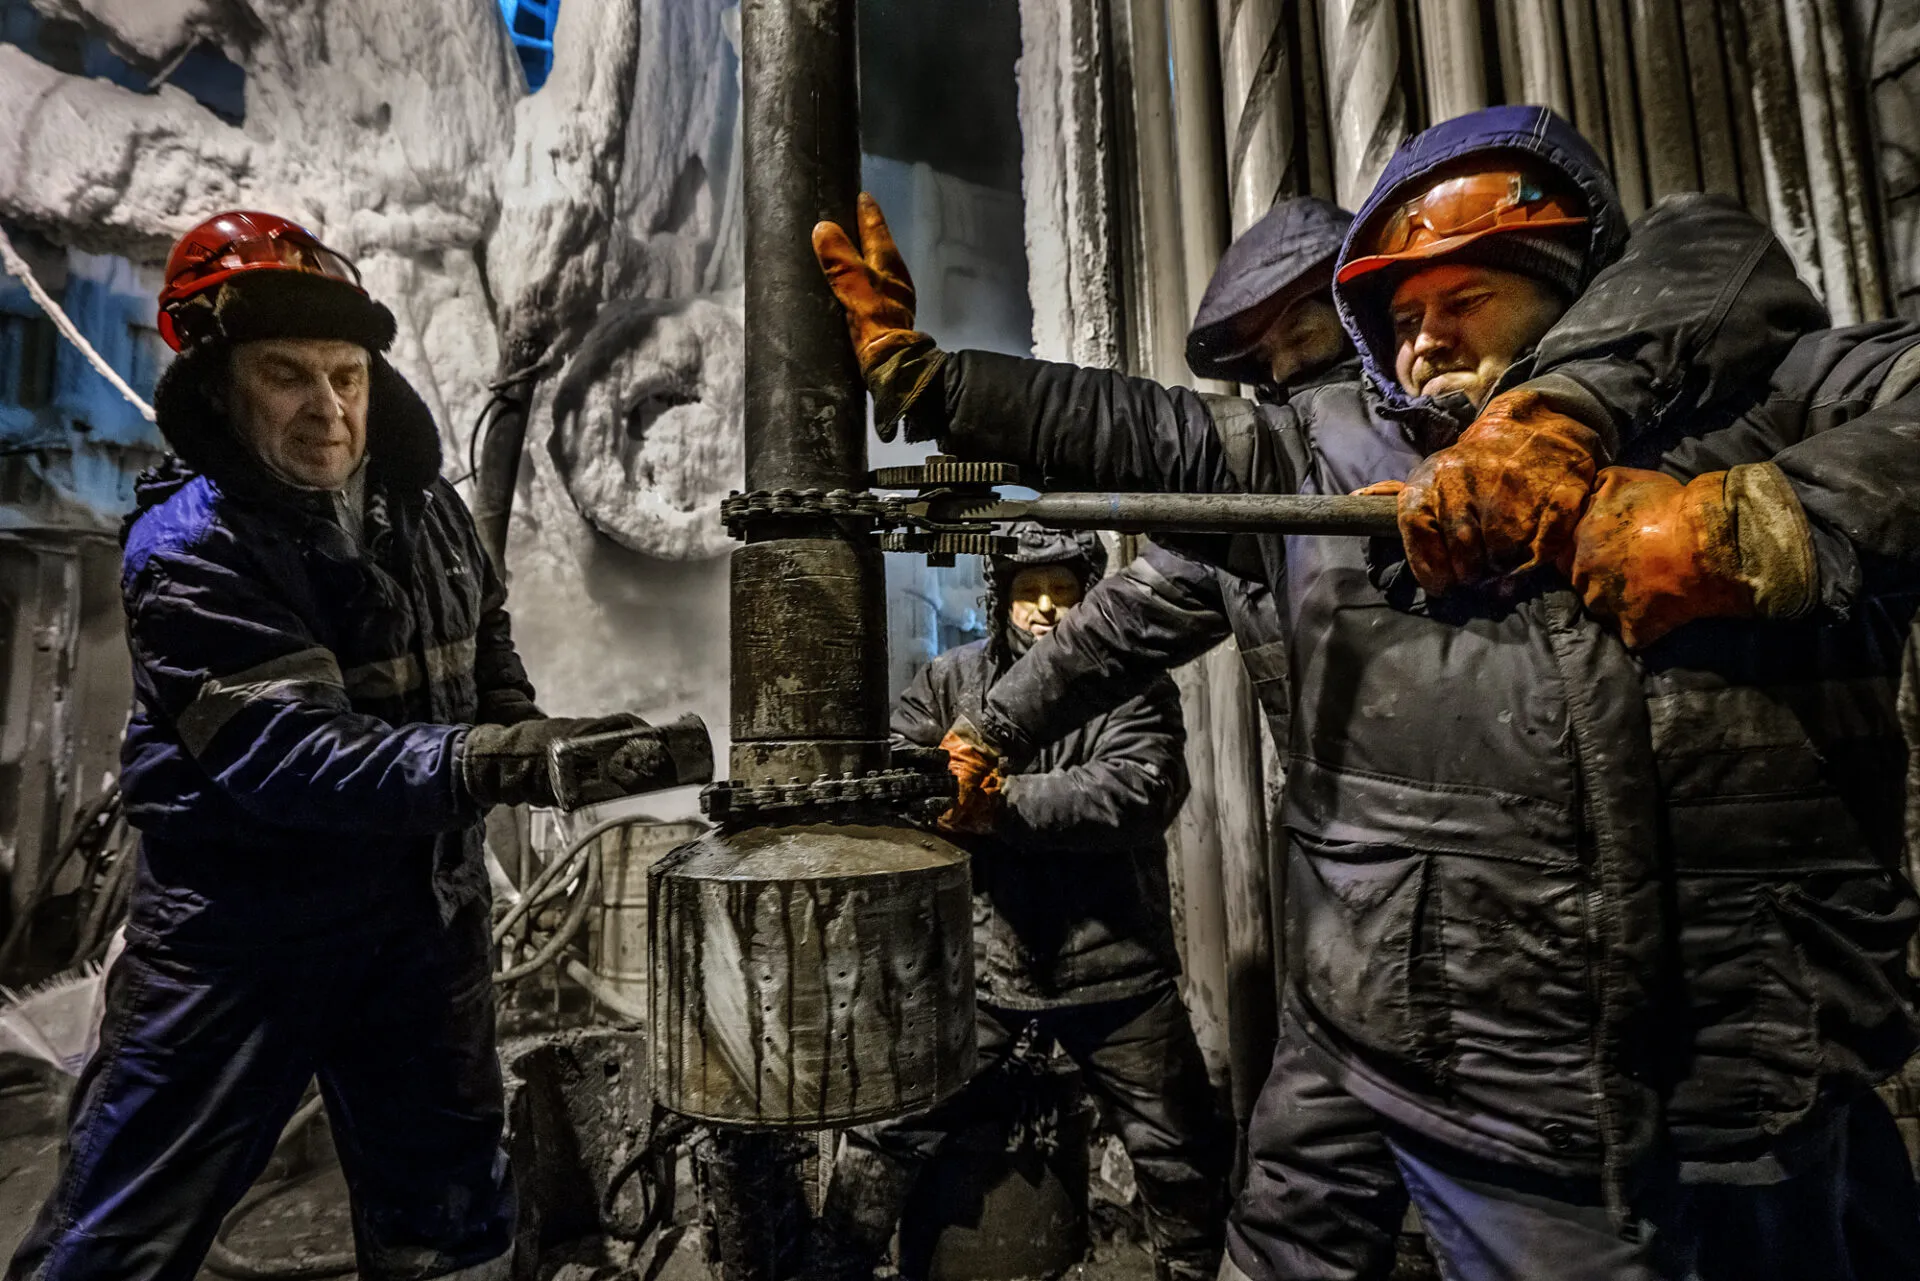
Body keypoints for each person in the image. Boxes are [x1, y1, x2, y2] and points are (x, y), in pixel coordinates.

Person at [814, 105, 1920, 1279]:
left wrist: (1752, 531)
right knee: (1284, 1239)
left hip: (1617, 1064)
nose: (1420, 344)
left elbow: (1733, 275)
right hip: (1356, 980)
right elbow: (1127, 548)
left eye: (1460, 302)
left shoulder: (1761, 402)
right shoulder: (1328, 457)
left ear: (1576, 286)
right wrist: (937, 394)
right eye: (1397, 321)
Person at [8, 211, 653, 1281]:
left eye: (347, 374)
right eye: (287, 375)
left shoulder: (427, 513)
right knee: (121, 1236)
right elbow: (297, 758)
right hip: (242, 946)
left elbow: (483, 655)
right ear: (221, 387)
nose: (329, 409)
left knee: (449, 1222)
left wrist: (529, 728)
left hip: (421, 923)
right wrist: (509, 764)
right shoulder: (191, 554)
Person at [809, 524, 1228, 1281]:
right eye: (1028, 592)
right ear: (1000, 594)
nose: (1044, 609)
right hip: (985, 964)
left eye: (1063, 592)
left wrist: (994, 806)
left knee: (1181, 1149)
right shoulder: (950, 681)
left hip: (1116, 968)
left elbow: (1138, 790)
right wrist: (921, 795)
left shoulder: (1134, 681)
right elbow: (904, 768)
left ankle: (1191, 1268)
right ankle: (831, 1268)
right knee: (894, 1127)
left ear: (1090, 596)